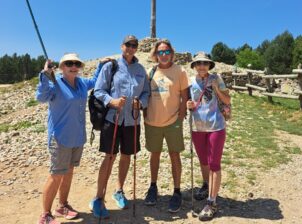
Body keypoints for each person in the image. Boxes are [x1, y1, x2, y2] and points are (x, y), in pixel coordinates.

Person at [36, 53, 106, 224]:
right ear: (61, 67)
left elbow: (95, 81)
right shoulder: (55, 84)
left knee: (68, 173)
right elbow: (41, 97)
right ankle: (45, 215)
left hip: (77, 137)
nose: (73, 66)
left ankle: (62, 205)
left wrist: (100, 64)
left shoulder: (82, 83)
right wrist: (44, 75)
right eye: (69, 63)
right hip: (60, 138)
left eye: (76, 63)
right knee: (56, 175)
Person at [90, 35, 150, 219]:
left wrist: (141, 104)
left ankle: (119, 190)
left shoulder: (141, 69)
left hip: (132, 120)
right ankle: (98, 198)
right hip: (112, 119)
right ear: (122, 46)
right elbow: (99, 90)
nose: (131, 48)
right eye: (128, 45)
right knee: (109, 156)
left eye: (134, 45)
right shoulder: (111, 66)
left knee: (126, 156)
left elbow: (147, 92)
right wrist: (112, 101)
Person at [144, 39, 189, 213]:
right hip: (152, 121)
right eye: (160, 52)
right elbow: (145, 94)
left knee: (174, 155)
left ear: (171, 53)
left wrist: (181, 116)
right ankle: (153, 186)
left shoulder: (180, 71)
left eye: (166, 51)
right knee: (154, 155)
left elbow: (185, 96)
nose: (163, 55)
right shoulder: (150, 71)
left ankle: (177, 191)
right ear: (155, 55)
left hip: (173, 122)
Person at [186, 52, 230, 221]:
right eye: (198, 63)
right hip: (198, 127)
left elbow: (227, 100)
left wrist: (217, 88)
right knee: (203, 160)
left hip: (216, 126)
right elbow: (189, 102)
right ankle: (206, 185)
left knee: (214, 164)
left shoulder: (216, 78)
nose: (202, 66)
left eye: (205, 63)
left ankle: (211, 202)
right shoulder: (191, 81)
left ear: (209, 65)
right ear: (194, 66)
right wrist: (189, 105)